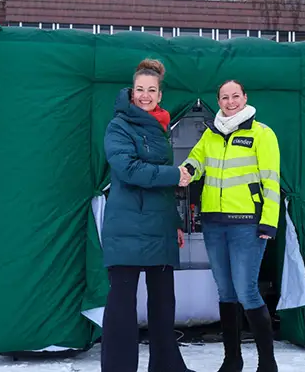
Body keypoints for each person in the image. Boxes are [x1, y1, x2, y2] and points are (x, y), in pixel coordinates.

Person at [101, 58, 195, 372]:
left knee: (164, 305)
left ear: (160, 94)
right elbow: (127, 170)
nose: (145, 95)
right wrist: (174, 175)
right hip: (127, 226)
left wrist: (176, 222)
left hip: (159, 226)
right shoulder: (119, 125)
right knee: (122, 309)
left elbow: (162, 189)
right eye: (139, 89)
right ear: (131, 93)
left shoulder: (161, 125)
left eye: (151, 90)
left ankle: (167, 367)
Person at [181, 79, 281, 372]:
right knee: (225, 292)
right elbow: (196, 160)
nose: (230, 101)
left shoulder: (262, 134)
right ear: (218, 101)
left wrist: (269, 222)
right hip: (213, 223)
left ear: (245, 97)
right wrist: (187, 169)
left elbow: (271, 181)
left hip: (247, 225)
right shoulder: (211, 134)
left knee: (246, 290)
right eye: (224, 97)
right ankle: (232, 360)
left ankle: (267, 363)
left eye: (235, 96)